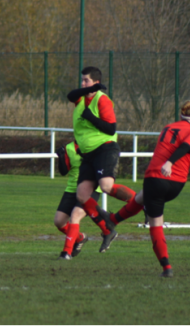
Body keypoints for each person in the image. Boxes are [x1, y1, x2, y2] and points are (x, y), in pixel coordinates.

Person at [105, 100, 190, 277]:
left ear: (180, 116)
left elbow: (185, 150)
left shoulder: (167, 128)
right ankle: (113, 219)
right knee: (142, 197)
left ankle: (166, 267)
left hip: (155, 178)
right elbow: (186, 149)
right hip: (176, 185)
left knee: (156, 222)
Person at [63, 67, 136, 256]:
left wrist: (91, 117)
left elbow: (111, 129)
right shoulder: (80, 98)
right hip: (88, 154)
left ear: (95, 83)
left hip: (105, 148)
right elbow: (71, 95)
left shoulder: (102, 99)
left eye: (86, 81)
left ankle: (141, 201)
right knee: (81, 195)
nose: (82, 83)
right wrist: (86, 90)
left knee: (105, 186)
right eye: (82, 80)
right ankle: (107, 226)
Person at [54, 141, 107, 259]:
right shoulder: (69, 147)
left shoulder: (95, 144)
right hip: (72, 189)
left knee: (75, 215)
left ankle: (66, 252)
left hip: (90, 188)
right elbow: (64, 171)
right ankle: (79, 238)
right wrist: (61, 157)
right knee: (59, 221)